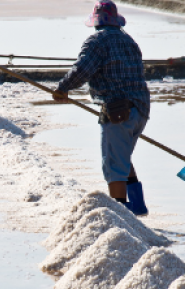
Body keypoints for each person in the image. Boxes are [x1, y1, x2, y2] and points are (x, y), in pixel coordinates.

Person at [53, 0, 150, 216]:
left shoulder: (97, 41)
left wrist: (62, 89)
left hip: (118, 111)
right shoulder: (129, 41)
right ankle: (138, 207)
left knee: (114, 164)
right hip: (141, 109)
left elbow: (82, 70)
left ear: (96, 22)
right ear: (115, 21)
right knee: (122, 156)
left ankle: (122, 217)